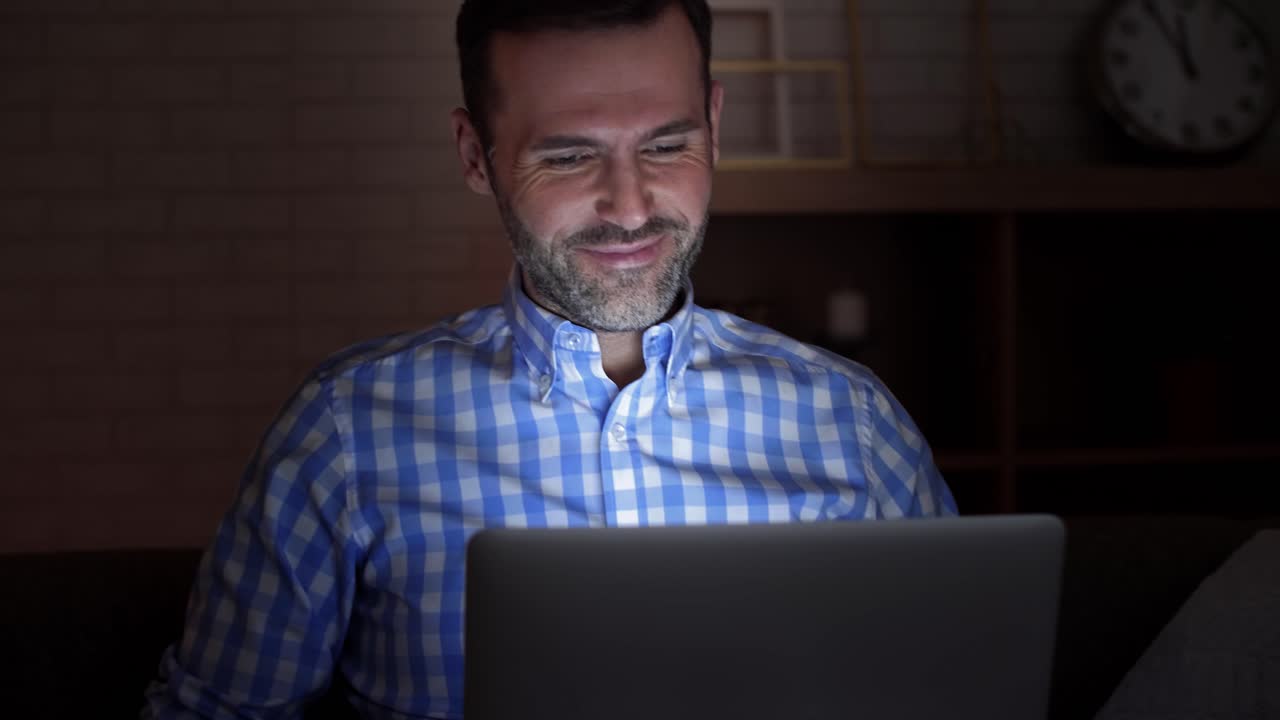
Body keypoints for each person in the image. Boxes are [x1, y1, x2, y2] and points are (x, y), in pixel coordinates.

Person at [141, 0, 957, 717]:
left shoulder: (853, 425)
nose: (631, 207)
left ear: (716, 125)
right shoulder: (343, 435)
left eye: (668, 145)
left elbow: (958, 691)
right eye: (569, 157)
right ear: (474, 154)